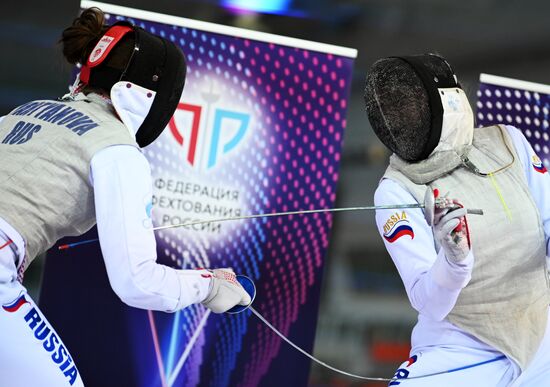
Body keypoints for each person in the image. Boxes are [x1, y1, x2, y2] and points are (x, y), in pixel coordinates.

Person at [0, 8, 251, 387]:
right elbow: (138, 281)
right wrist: (211, 285)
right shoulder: (116, 150)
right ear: (151, 93)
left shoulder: (26, 111)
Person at [364, 53, 550, 386]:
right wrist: (455, 260)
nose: (398, 119)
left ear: (449, 102)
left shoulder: (508, 142)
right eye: (392, 113)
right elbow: (428, 301)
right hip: (463, 346)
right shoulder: (395, 191)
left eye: (407, 108)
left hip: (541, 326)